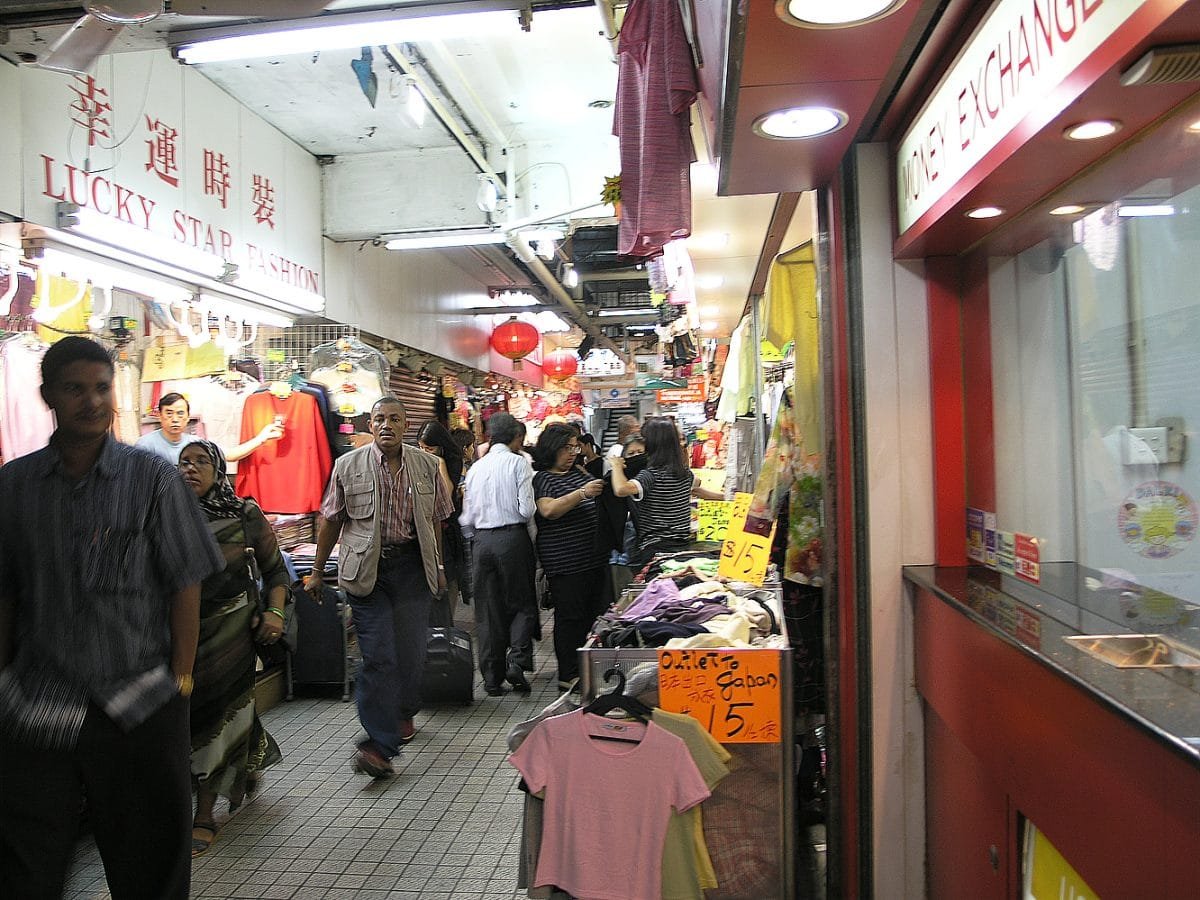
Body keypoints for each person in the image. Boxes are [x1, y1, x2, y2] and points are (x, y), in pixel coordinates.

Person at [0, 337, 223, 899]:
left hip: (139, 701)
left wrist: (181, 675)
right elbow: (5, 593)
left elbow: (185, 581)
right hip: (36, 704)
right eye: (75, 389)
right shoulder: (15, 488)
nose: (92, 402)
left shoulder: (153, 479)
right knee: (27, 865)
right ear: (48, 395)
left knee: (150, 864)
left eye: (101, 388)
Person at [304, 397, 454, 778]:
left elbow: (436, 520)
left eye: (394, 419)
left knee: (410, 652)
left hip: (411, 571)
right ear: (370, 425)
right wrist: (318, 571)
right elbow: (331, 522)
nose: (386, 425)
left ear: (406, 425)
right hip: (366, 572)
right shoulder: (347, 466)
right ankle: (380, 745)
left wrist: (436, 565)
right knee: (378, 655)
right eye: (379, 419)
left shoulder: (426, 466)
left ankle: (403, 711)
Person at [177, 441, 287, 857]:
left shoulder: (244, 514)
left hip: (233, 634)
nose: (191, 468)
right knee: (196, 717)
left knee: (221, 712)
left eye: (201, 461)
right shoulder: (166, 516)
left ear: (218, 468)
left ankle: (204, 814)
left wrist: (275, 612)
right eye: (184, 462)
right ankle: (246, 760)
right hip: (179, 635)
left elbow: (276, 571)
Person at [460, 412, 537, 696]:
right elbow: (527, 510)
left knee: (488, 610)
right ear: (516, 437)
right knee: (521, 604)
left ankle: (492, 679)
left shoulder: (477, 468)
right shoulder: (519, 463)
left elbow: (466, 516)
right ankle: (516, 661)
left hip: (481, 542)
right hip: (512, 538)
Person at [531, 424, 608, 689]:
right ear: (552, 449)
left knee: (592, 615)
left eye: (575, 447)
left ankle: (587, 668)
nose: (572, 453)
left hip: (593, 558)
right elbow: (548, 510)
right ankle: (568, 673)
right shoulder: (543, 478)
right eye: (567, 448)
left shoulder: (578, 470)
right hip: (565, 561)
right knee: (570, 617)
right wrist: (582, 493)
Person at [611, 417, 725, 566]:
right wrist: (728, 497)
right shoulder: (685, 474)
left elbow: (620, 489)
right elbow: (698, 489)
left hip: (655, 550)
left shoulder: (650, 475)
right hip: (682, 547)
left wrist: (616, 466)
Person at [136, 392, 284, 464]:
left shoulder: (196, 444)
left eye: (180, 413)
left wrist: (262, 438)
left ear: (188, 418)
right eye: (169, 413)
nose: (175, 419)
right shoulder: (145, 445)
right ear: (160, 416)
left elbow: (230, 455)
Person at [416, 420, 469, 624]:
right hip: (426, 531)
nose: (424, 452)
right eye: (421, 448)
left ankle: (447, 624)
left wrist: (439, 465)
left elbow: (446, 496)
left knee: (449, 579)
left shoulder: (451, 463)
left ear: (441, 446)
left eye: (429, 448)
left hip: (448, 532)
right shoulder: (416, 463)